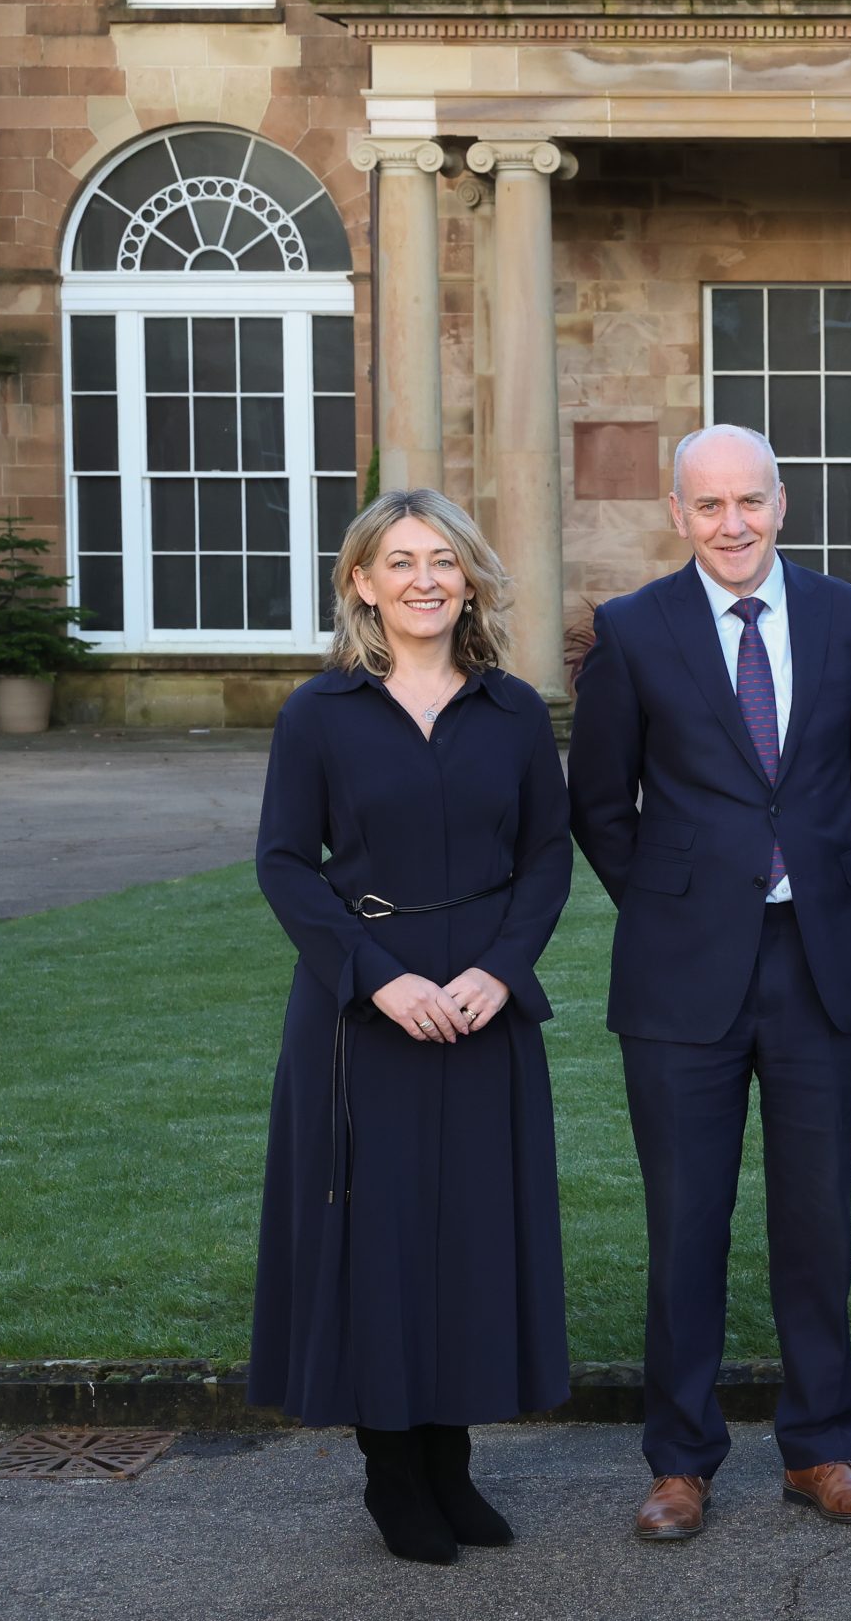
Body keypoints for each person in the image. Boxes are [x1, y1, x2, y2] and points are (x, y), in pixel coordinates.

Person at [567, 423, 851, 1542]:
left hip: (819, 959)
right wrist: (680, 901)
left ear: (782, 500)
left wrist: (788, 876)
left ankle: (820, 1445)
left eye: (748, 500)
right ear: (677, 512)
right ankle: (680, 1459)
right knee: (685, 1222)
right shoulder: (629, 630)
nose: (732, 523)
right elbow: (601, 804)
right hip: (679, 975)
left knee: (817, 1219)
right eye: (708, 505)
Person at [248, 488, 572, 1565]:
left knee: (472, 1232)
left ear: (470, 577)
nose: (425, 579)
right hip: (364, 1011)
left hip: (483, 1004)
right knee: (380, 1236)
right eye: (400, 562)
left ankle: (451, 1459)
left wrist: (501, 968)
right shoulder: (319, 713)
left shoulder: (516, 709)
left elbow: (546, 856)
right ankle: (395, 1469)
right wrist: (376, 980)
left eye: (445, 560)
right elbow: (285, 863)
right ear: (361, 582)